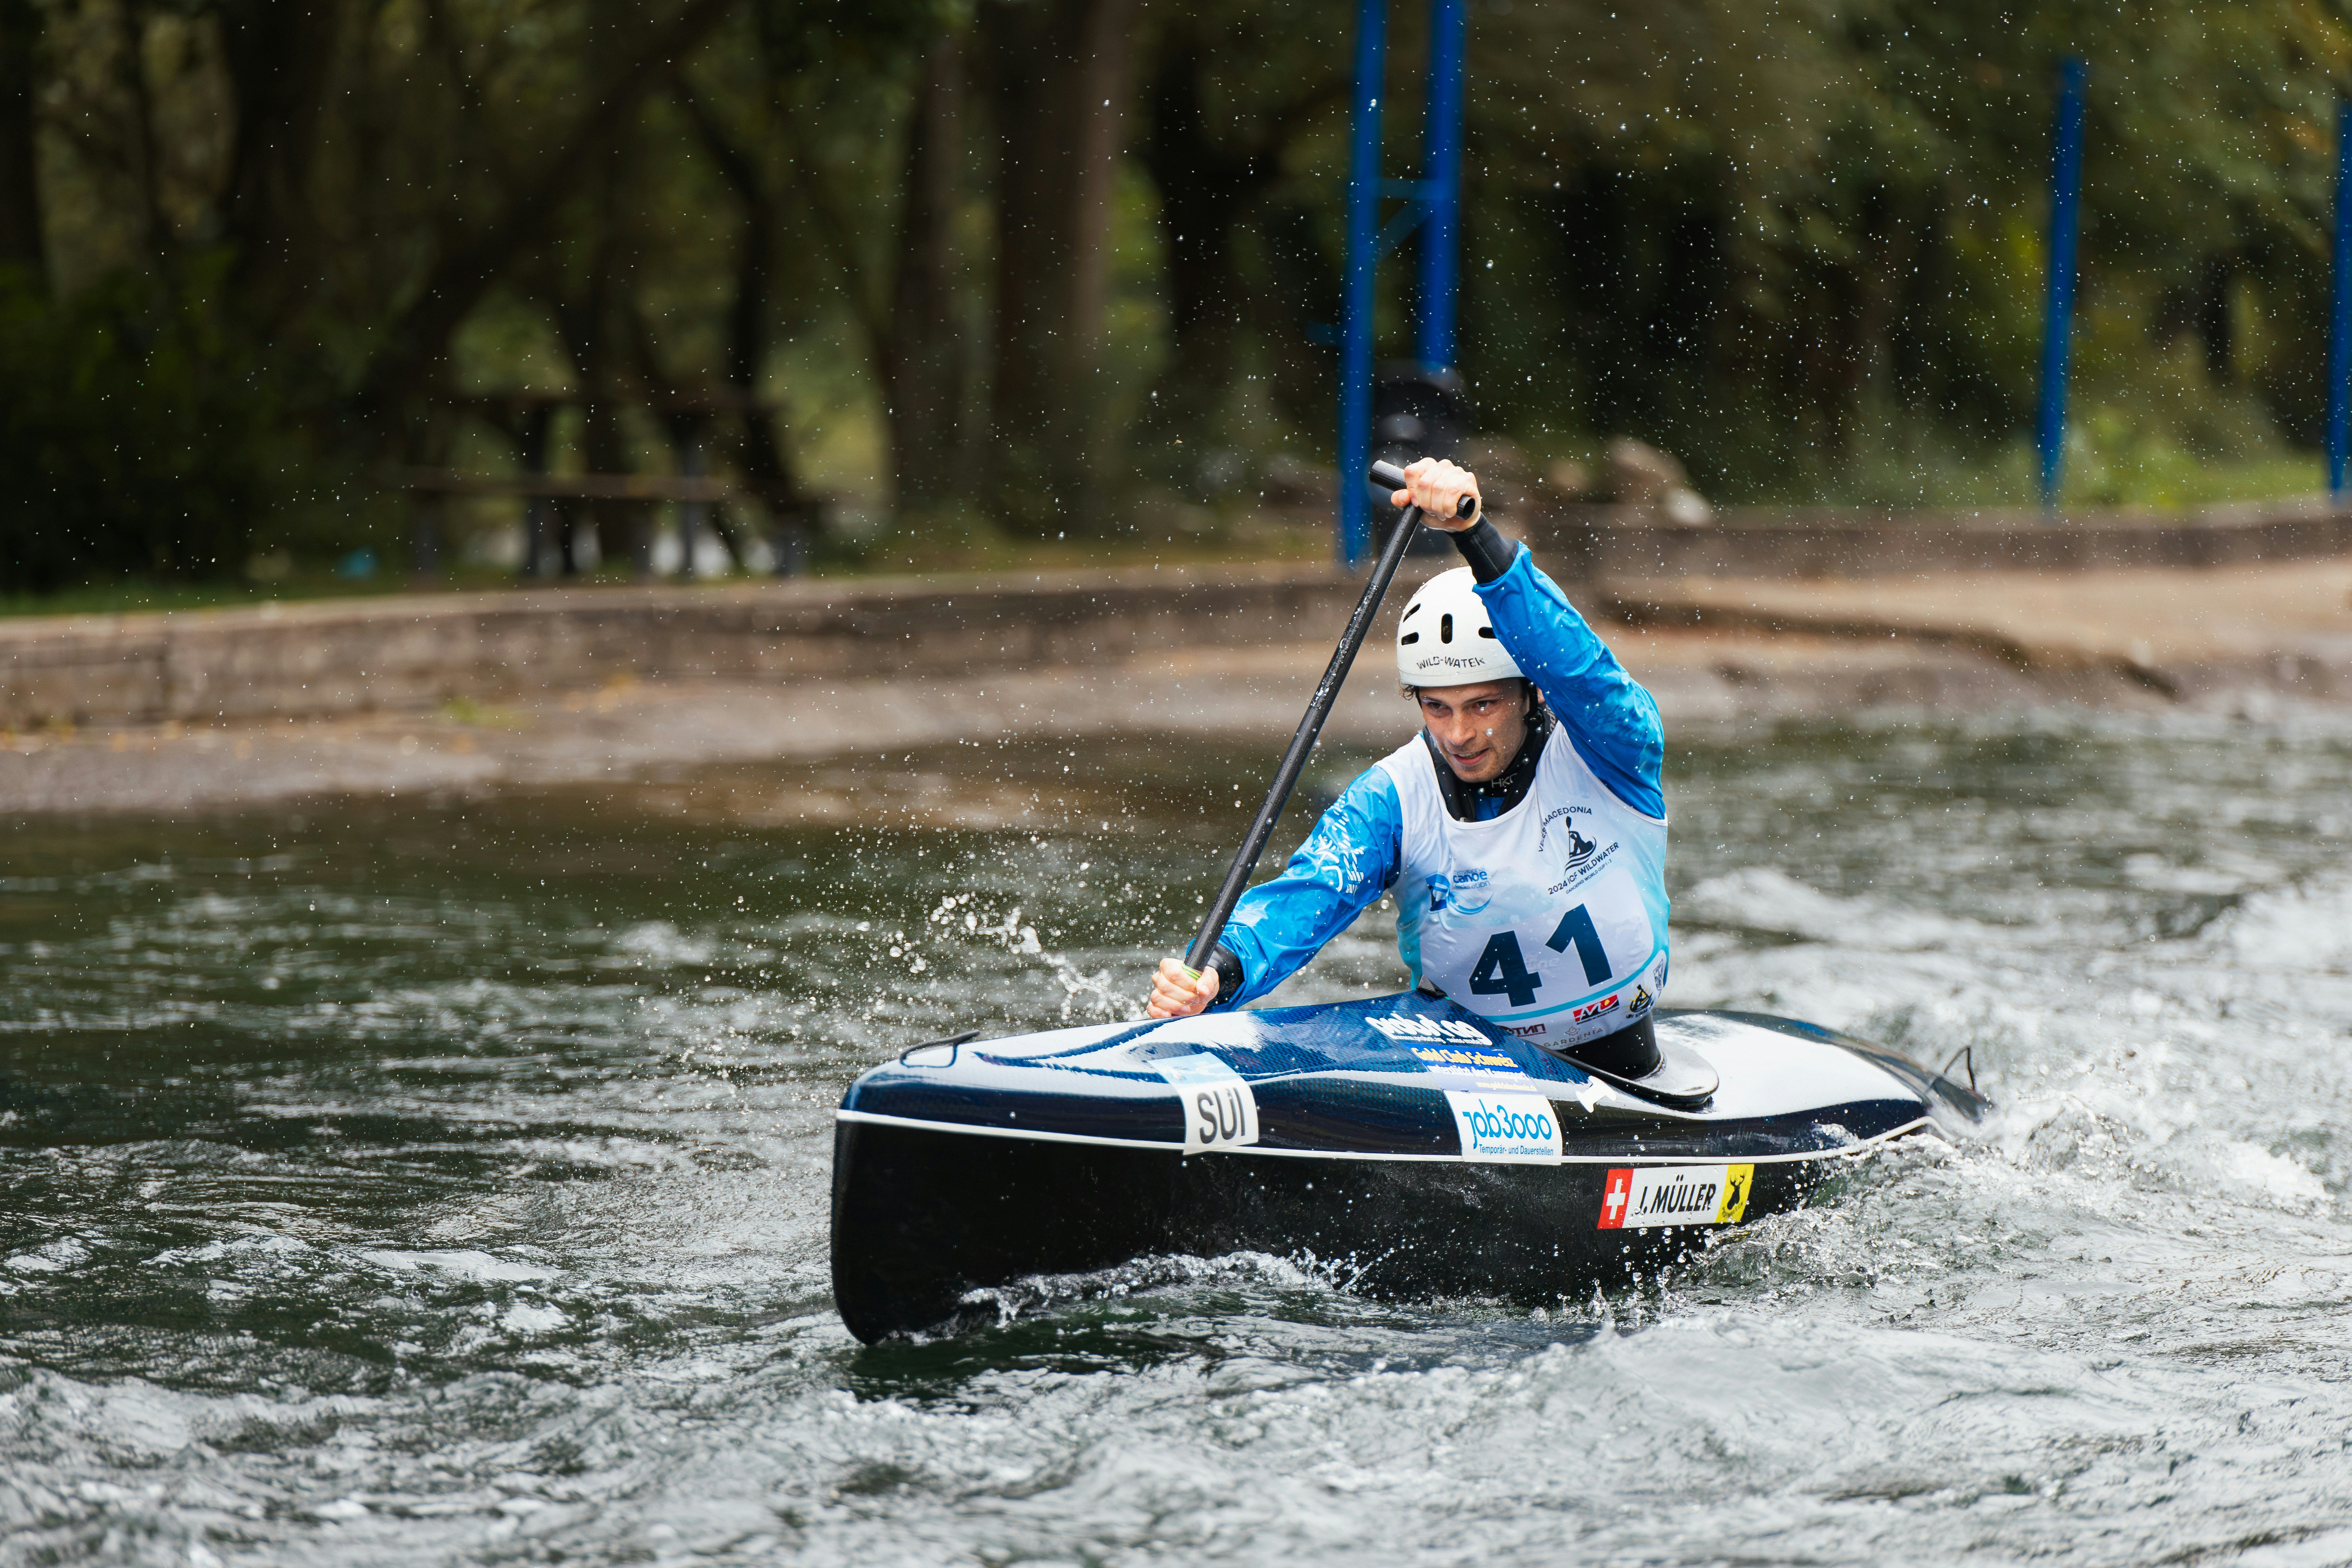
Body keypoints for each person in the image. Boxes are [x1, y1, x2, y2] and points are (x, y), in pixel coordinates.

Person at [1144, 457, 1673, 1081]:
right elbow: (1304, 899)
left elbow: (1580, 665)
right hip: (1472, 1080)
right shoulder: (1390, 800)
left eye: (1483, 705)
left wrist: (1476, 536)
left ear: (1531, 693)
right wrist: (1219, 973)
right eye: (1436, 708)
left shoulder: (1612, 748)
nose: (1459, 735)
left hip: (1628, 1074)